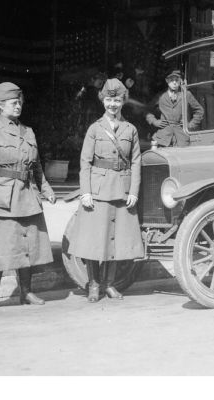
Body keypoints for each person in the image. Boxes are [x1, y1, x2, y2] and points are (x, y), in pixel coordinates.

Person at [0, 82, 56, 309]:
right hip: (1, 197)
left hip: (27, 194)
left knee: (27, 244)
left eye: (19, 102)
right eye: (13, 103)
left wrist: (46, 190)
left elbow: (36, 166)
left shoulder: (28, 131)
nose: (18, 106)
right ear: (0, 106)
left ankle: (27, 292)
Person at [68, 78, 144, 302]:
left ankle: (109, 284)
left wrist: (134, 192)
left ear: (123, 102)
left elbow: (136, 161)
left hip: (121, 189)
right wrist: (86, 192)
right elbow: (85, 162)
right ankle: (93, 285)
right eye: (109, 100)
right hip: (99, 190)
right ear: (103, 101)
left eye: (117, 100)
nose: (113, 104)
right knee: (95, 240)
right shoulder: (95, 129)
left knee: (115, 239)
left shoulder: (130, 130)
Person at [145, 70, 204, 147]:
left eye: (177, 80)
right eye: (171, 80)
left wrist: (190, 125)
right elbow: (147, 111)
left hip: (181, 138)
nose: (174, 82)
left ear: (180, 81)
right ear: (167, 81)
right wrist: (154, 121)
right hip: (163, 138)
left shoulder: (186, 94)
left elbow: (199, 110)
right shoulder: (161, 96)